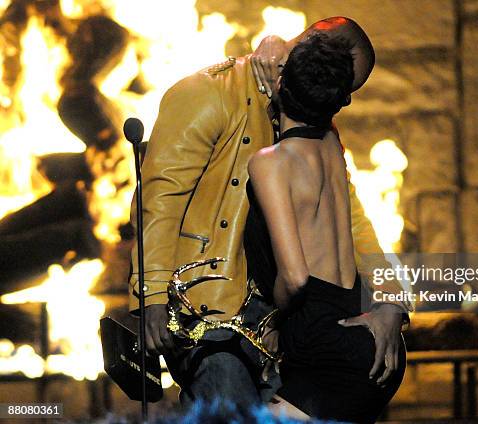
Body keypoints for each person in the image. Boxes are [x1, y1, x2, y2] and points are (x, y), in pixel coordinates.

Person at [128, 16, 410, 410]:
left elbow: (353, 219)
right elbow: (160, 200)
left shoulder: (317, 122)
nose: (340, 101)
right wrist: (151, 294)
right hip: (207, 310)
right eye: (343, 86)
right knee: (231, 398)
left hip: (281, 324)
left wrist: (392, 301)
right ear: (313, 50)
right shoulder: (206, 94)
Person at [246, 33, 405, 423]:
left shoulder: (270, 163)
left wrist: (274, 321)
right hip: (373, 344)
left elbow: (296, 278)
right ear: (340, 100)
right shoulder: (333, 143)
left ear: (281, 83)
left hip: (325, 352)